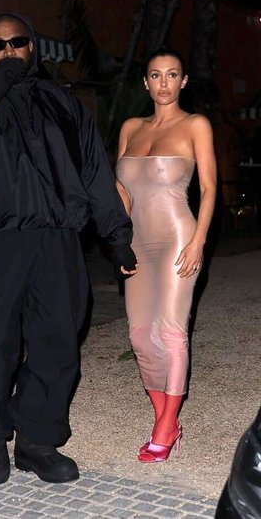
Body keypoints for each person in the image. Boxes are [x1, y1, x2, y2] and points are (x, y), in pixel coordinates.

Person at [0, 12, 137, 485]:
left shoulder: (64, 105)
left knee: (57, 340)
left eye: (17, 42)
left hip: (57, 240)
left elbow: (94, 173)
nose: (9, 51)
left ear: (33, 49)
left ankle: (37, 441)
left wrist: (118, 237)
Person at [115, 46, 217, 463]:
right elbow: (122, 190)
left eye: (172, 74)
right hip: (137, 241)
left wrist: (199, 242)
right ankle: (167, 420)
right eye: (156, 75)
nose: (164, 83)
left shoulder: (195, 124)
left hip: (178, 237)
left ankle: (164, 425)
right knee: (140, 334)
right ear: (146, 82)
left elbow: (209, 187)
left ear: (183, 81)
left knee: (171, 332)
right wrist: (118, 240)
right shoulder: (131, 127)